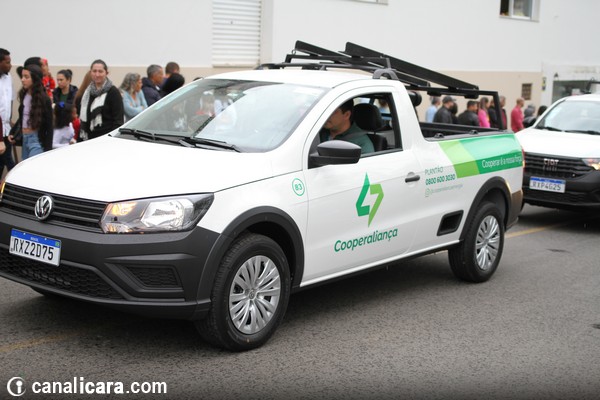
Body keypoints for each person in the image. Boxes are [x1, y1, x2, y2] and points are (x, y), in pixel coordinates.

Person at [11, 64, 53, 160]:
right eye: (22, 76)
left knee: (33, 165)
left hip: (36, 140)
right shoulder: (24, 95)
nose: (22, 80)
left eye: (26, 77)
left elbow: (49, 126)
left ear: (35, 78)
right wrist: (13, 132)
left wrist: (48, 149)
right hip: (25, 138)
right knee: (24, 165)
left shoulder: (44, 99)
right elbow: (22, 117)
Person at [79, 60, 124, 140]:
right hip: (89, 139)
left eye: (100, 71)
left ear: (106, 73)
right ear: (90, 72)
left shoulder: (113, 92)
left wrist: (112, 139)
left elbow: (118, 120)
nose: (97, 74)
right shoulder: (87, 92)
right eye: (94, 71)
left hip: (106, 139)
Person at [0, 48, 16, 175]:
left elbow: (10, 100)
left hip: (6, 129)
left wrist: (10, 118)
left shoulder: (8, 77)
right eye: (7, 62)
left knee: (3, 162)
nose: (10, 65)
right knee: (9, 163)